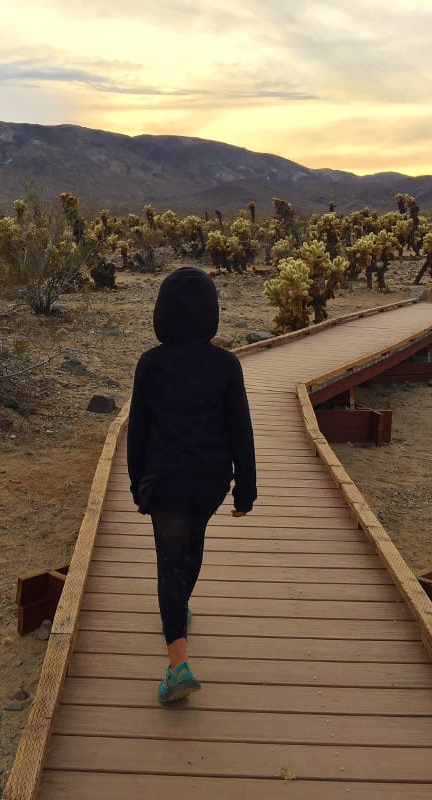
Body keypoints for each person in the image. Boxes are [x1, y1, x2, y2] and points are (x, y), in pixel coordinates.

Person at [127, 267, 257, 703]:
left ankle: (177, 664)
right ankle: (179, 611)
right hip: (210, 479)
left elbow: (138, 431)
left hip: (164, 478)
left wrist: (135, 484)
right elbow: (241, 430)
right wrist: (245, 490)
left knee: (169, 560)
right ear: (210, 313)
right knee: (194, 542)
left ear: (161, 313)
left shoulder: (151, 363)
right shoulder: (226, 365)